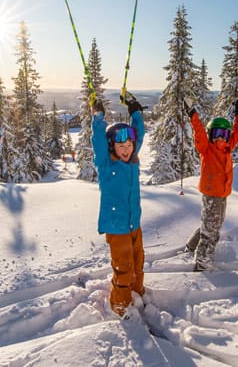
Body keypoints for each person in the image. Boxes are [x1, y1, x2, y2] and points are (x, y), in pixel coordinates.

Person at [91, 94, 146, 318]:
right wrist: (98, 116)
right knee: (123, 268)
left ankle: (137, 292)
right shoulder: (106, 164)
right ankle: (121, 306)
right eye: (121, 146)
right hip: (117, 227)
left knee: (138, 261)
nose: (126, 149)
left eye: (129, 145)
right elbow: (97, 140)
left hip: (134, 223)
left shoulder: (132, 161)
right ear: (112, 147)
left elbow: (139, 134)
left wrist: (135, 112)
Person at [183, 98, 238, 271]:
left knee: (212, 223)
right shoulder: (206, 148)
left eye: (224, 134)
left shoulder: (227, 147)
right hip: (212, 194)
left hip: (222, 194)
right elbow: (199, 132)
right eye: (216, 133)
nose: (220, 138)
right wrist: (192, 114)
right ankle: (203, 262)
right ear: (210, 135)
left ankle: (191, 245)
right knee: (212, 230)